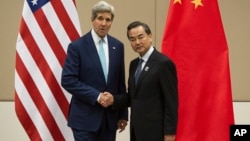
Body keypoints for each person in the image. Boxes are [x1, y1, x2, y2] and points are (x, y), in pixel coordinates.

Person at [100, 21, 178, 141]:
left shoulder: (163, 63)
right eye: (132, 39)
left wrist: (170, 133)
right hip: (136, 131)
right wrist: (113, 100)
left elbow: (171, 102)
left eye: (140, 37)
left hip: (156, 132)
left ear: (150, 36)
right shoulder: (134, 64)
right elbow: (132, 96)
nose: (137, 42)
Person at [61, 1, 128, 141]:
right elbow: (68, 80)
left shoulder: (118, 46)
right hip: (84, 120)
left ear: (111, 22)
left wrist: (123, 114)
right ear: (92, 19)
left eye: (108, 19)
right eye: (100, 18)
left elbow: (120, 83)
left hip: (110, 120)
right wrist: (97, 96)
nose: (103, 23)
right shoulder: (77, 47)